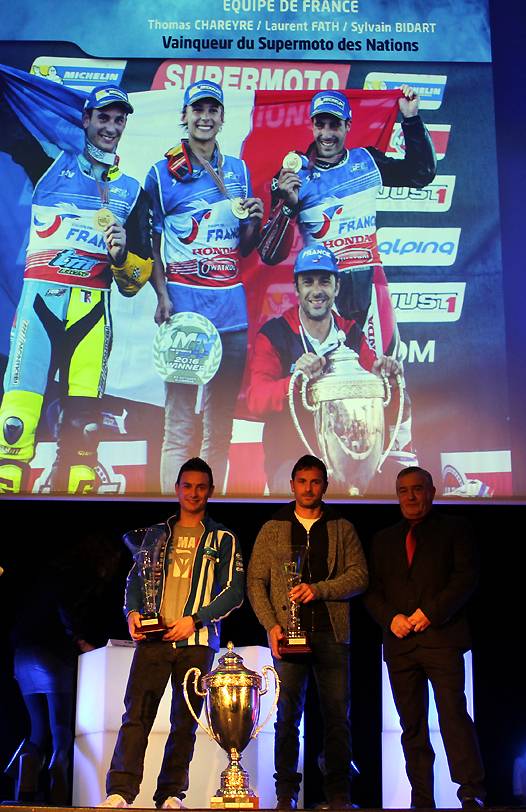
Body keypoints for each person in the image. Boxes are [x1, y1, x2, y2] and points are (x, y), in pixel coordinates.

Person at [258, 87, 436, 463]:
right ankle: (334, 463)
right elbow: (270, 254)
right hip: (325, 296)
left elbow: (421, 174)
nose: (327, 133)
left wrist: (410, 119)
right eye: (320, 124)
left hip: (371, 286)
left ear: (347, 127)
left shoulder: (366, 161)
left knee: (388, 375)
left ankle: (399, 462)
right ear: (312, 125)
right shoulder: (292, 173)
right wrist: (287, 205)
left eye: (334, 125)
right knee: (330, 383)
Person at [0, 83, 152, 495]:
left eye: (118, 120)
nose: (111, 127)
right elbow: (10, 129)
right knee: (13, 429)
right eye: (103, 117)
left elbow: (136, 281)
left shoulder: (132, 192)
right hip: (39, 309)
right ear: (85, 120)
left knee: (84, 444)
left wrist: (121, 257)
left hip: (92, 316)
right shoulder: (50, 164)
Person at [100, 456, 244, 809]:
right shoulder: (156, 535)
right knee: (136, 716)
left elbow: (235, 591)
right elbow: (136, 580)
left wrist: (196, 620)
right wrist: (132, 612)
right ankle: (120, 792)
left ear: (211, 491)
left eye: (201, 487)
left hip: (197, 642)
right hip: (154, 639)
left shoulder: (223, 538)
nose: (193, 493)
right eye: (187, 486)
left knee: (184, 722)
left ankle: (170, 794)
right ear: (177, 489)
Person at [145, 80, 264, 495]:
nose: (205, 117)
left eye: (213, 110)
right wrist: (162, 296)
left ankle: (215, 512)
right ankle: (172, 512)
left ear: (222, 117)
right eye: (198, 109)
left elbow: (245, 247)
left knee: (220, 425)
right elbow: (150, 243)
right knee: (179, 424)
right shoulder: (162, 173)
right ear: (185, 115)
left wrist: (254, 220)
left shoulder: (240, 171)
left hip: (231, 315)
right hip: (185, 314)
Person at [247, 454, 368, 809]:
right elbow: (255, 581)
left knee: (337, 717)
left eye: (315, 482)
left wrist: (319, 590)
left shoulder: (342, 526)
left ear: (325, 485)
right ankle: (286, 794)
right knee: (287, 718)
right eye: (302, 481)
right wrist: (271, 625)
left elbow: (360, 576)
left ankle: (339, 794)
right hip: (288, 635)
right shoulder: (273, 527)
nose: (308, 488)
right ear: (292, 485)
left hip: (332, 634)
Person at [363, 466, 486, 809]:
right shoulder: (383, 539)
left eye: (417, 489)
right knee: (411, 726)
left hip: (442, 638)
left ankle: (471, 791)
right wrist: (391, 618)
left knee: (453, 715)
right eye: (403, 490)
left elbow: (465, 578)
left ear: (432, 492)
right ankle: (421, 799)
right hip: (400, 645)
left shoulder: (455, 529)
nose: (411, 496)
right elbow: (371, 591)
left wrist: (430, 612)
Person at [246, 243, 400, 494]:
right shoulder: (275, 334)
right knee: (296, 485)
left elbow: (381, 399)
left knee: (399, 481)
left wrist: (386, 380)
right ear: (297, 288)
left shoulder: (350, 333)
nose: (317, 291)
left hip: (351, 458)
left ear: (336, 287)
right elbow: (256, 400)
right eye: (308, 282)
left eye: (324, 282)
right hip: (293, 462)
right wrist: (296, 381)